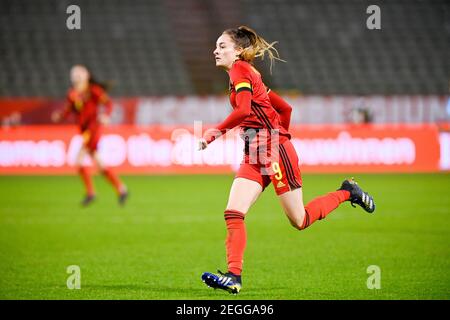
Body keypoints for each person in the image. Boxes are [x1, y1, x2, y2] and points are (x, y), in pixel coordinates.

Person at [198, 26, 375, 294]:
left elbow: (244, 109)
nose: (216, 50)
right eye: (216, 45)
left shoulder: (240, 70)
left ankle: (347, 192)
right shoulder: (248, 75)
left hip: (273, 151)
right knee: (233, 212)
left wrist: (215, 134)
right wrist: (278, 134)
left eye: (222, 46)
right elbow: (284, 108)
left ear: (238, 52)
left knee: (299, 220)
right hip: (256, 153)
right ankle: (234, 277)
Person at [52, 65, 128, 206]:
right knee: (99, 164)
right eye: (74, 73)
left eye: (80, 73)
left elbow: (108, 104)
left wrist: (105, 115)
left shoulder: (93, 90)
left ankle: (91, 193)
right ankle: (121, 188)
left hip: (93, 128)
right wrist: (60, 116)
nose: (76, 76)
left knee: (79, 159)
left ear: (87, 75)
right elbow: (68, 110)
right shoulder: (72, 94)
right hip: (84, 129)